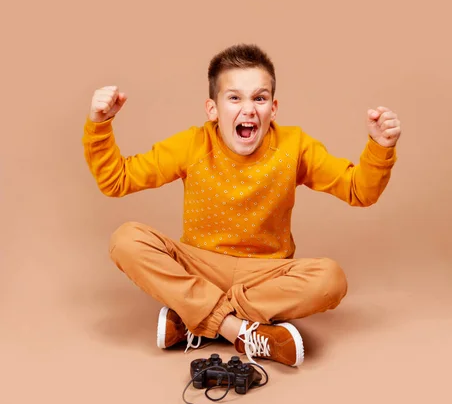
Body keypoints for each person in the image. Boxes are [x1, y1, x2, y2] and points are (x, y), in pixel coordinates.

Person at [82, 43, 401, 368]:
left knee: (331, 279)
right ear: (213, 109)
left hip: (265, 274)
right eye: (234, 98)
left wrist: (380, 146)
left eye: (259, 98)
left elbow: (359, 190)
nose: (248, 109)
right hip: (200, 266)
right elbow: (117, 179)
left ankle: (194, 318)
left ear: (273, 109)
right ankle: (240, 330)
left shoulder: (295, 147)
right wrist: (100, 124)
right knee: (126, 239)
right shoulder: (192, 145)